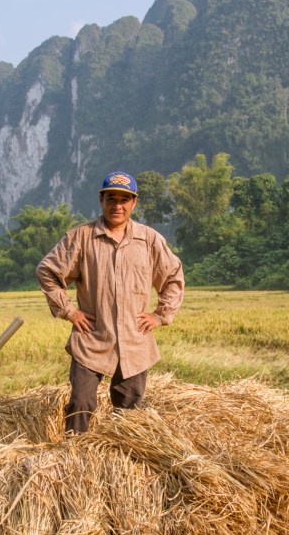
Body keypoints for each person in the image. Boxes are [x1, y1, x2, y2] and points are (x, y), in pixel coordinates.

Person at [36, 171, 184, 434]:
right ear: (101, 200)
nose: (118, 206)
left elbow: (173, 276)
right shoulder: (81, 237)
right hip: (92, 338)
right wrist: (69, 311)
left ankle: (123, 464)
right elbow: (47, 271)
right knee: (81, 404)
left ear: (134, 203)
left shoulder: (148, 240)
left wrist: (160, 315)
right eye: (112, 199)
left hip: (135, 341)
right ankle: (74, 456)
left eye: (124, 199)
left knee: (130, 413)